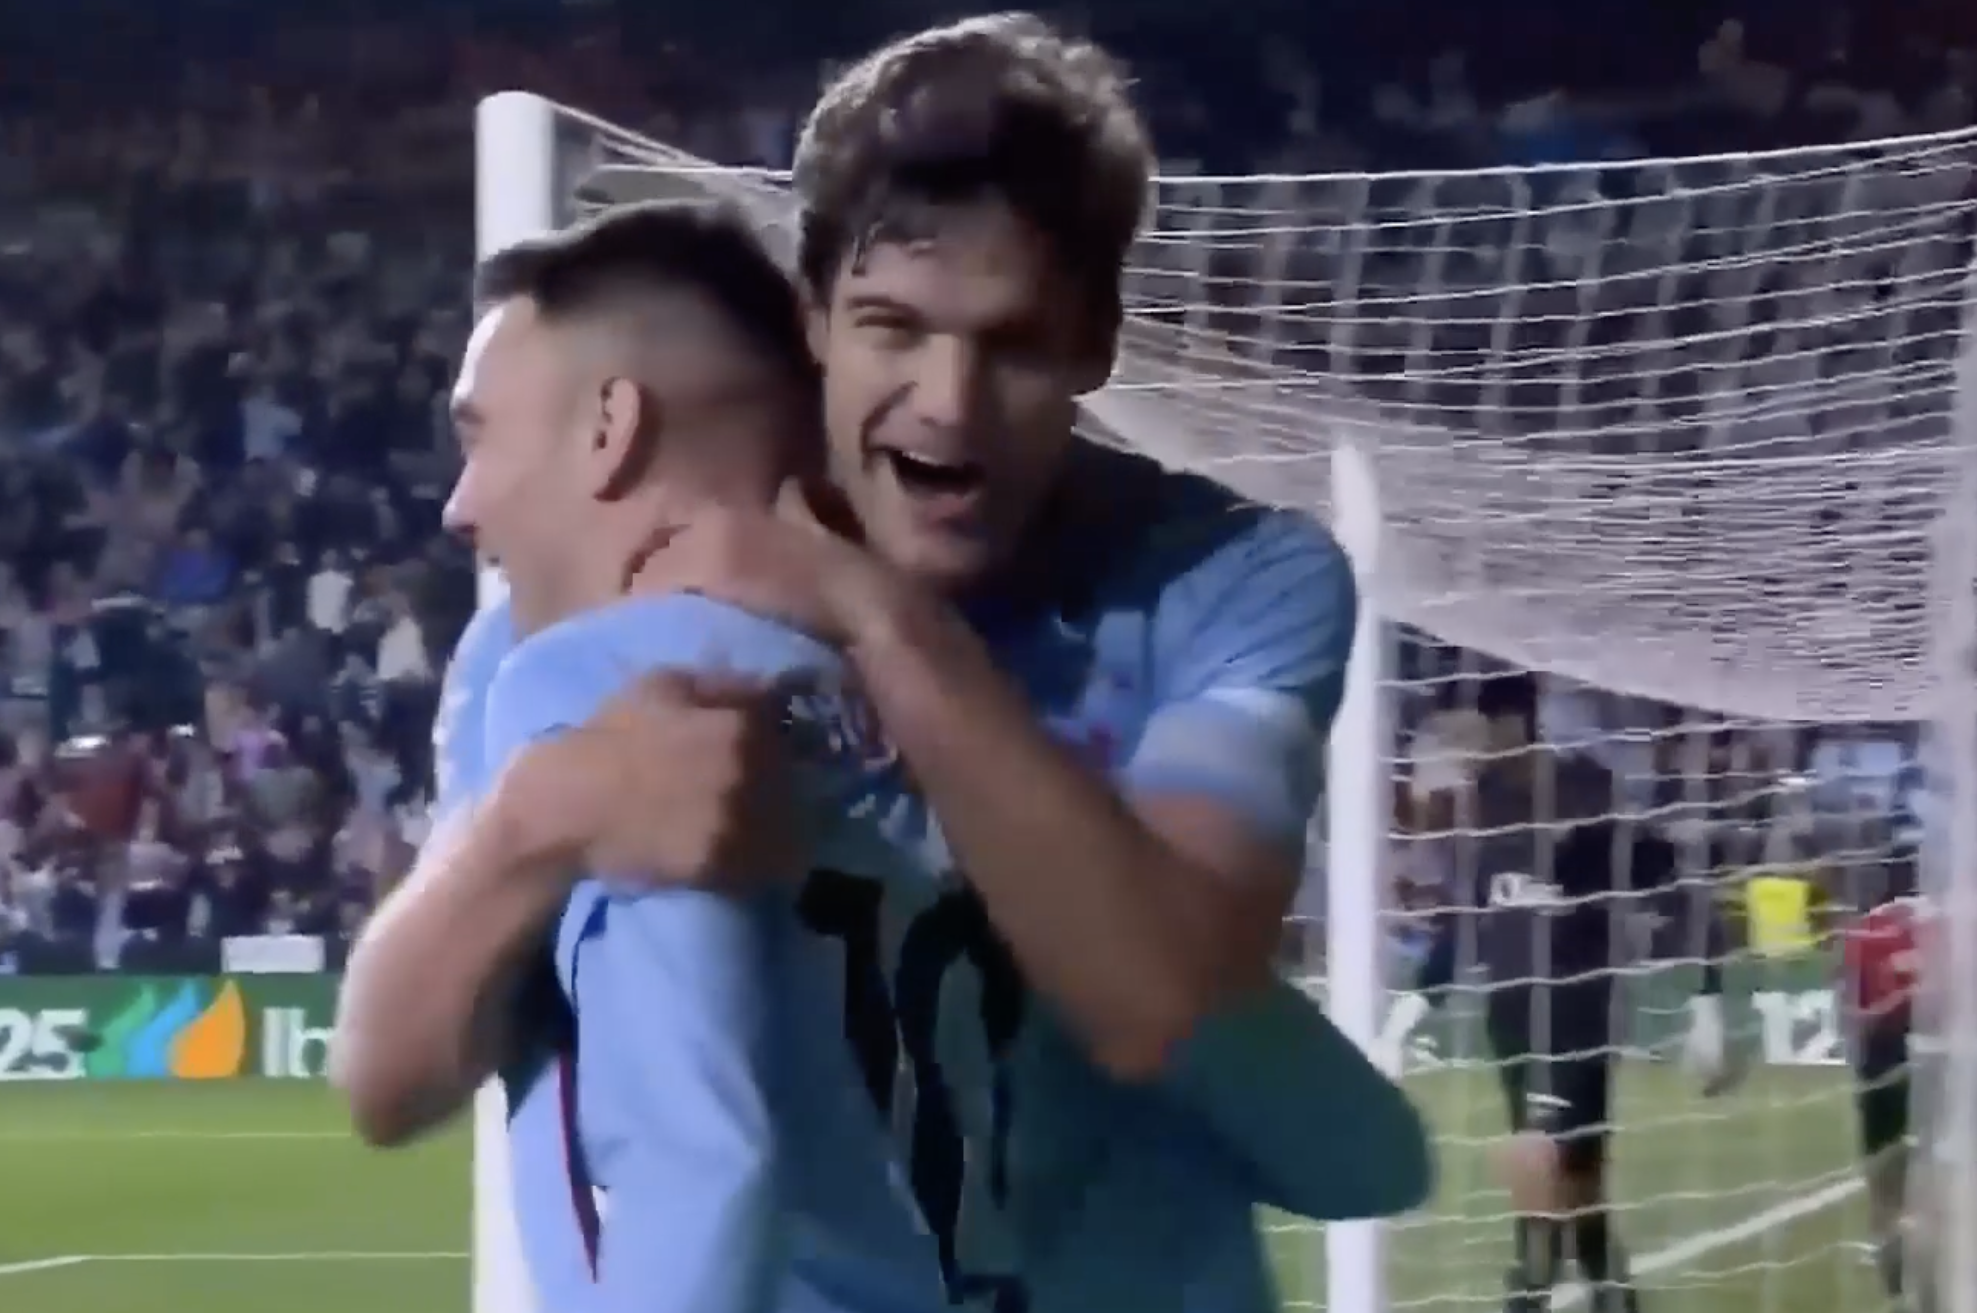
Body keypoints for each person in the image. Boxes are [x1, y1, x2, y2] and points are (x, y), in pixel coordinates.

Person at [337, 14, 1430, 1313]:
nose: (948, 402)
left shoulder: (1232, 580)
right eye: (892, 326)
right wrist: (541, 818)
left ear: (1097, 341)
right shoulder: (585, 626)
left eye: (1014, 343)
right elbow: (388, 1082)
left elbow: (1158, 998)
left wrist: (883, 621)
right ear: (813, 318)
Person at [347, 199, 951, 1313]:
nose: (458, 506)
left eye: (479, 436)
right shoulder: (924, 675)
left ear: (609, 425)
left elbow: (703, 1158)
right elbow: (393, 1070)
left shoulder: (618, 678)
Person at [1389, 673, 1732, 1313]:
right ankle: (1575, 1284)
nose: (1475, 745)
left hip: (1581, 1004)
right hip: (1512, 1011)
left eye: (1482, 729)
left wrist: (1707, 1000)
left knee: (1563, 1169)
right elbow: (1466, 922)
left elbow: (1669, 882)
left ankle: (1552, 1281)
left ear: (1515, 723)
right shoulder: (1478, 807)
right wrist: (1403, 1020)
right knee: (1556, 1172)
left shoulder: (1588, 790)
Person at [1832, 844, 1937, 1313]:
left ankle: (1898, 1296)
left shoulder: (1869, 928)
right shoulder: (1950, 926)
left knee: (1886, 1187)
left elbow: (1855, 1012)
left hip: (1883, 1061)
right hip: (1940, 1064)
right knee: (1939, 1181)